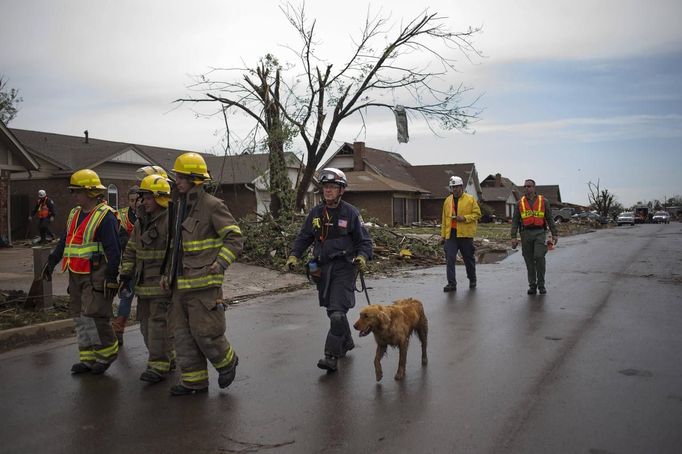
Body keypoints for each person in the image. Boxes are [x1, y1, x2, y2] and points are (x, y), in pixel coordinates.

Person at [161, 152, 243, 396]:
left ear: (196, 179)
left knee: (205, 333)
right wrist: (168, 274)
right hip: (179, 285)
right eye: (176, 175)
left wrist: (220, 263)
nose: (177, 180)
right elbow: (175, 247)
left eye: (181, 176)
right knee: (182, 336)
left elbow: (235, 238)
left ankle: (227, 362)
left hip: (204, 283)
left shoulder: (212, 205)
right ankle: (193, 381)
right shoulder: (177, 207)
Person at [285, 168, 373, 373]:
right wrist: (294, 255)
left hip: (344, 268)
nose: (328, 190)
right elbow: (304, 237)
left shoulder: (351, 213)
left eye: (333, 187)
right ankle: (347, 341)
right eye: (326, 187)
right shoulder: (315, 213)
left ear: (341, 190)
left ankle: (331, 356)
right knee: (332, 312)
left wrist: (361, 257)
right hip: (322, 269)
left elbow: (365, 242)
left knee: (336, 313)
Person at [42, 169, 121, 374]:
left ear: (90, 192)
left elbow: (114, 251)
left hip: (96, 275)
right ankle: (88, 358)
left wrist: (112, 277)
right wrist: (51, 262)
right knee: (79, 316)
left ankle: (106, 355)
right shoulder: (74, 214)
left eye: (77, 191)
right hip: (76, 274)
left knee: (94, 315)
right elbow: (64, 242)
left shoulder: (106, 217)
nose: (73, 195)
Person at [120, 174, 174, 383]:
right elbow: (132, 248)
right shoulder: (142, 220)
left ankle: (158, 365)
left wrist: (169, 275)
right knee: (144, 324)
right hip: (142, 285)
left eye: (148, 197)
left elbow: (177, 251)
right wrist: (126, 273)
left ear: (160, 198)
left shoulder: (170, 220)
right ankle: (169, 357)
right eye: (142, 197)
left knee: (158, 325)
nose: (144, 202)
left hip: (161, 284)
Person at [510, 179, 559, 295]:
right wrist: (513, 237)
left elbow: (550, 218)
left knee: (539, 257)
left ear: (534, 187)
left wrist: (554, 233)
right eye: (525, 186)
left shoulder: (544, 201)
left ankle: (541, 285)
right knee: (529, 261)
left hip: (539, 233)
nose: (527, 188)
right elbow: (515, 221)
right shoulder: (519, 203)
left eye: (529, 186)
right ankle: (532, 285)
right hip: (525, 234)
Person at [440, 176, 481, 292]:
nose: (455, 190)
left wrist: (464, 218)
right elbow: (444, 219)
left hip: (465, 235)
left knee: (468, 258)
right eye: (453, 187)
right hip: (451, 234)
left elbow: (477, 214)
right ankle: (451, 284)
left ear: (461, 187)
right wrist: (443, 235)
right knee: (450, 258)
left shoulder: (470, 199)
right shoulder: (447, 201)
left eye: (457, 187)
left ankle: (472, 279)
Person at [111, 185, 141, 345]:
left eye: (137, 199)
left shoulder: (150, 213)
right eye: (131, 200)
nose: (135, 203)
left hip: (148, 265)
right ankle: (118, 330)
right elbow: (121, 241)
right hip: (130, 264)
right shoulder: (122, 217)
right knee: (126, 298)